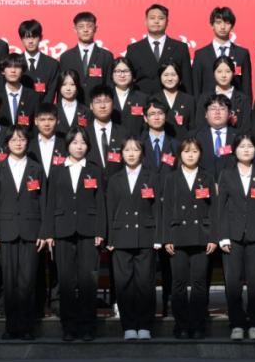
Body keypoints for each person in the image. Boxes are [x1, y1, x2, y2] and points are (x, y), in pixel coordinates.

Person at [42, 127, 106, 341]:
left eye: (83, 142)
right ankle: (68, 327)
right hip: (63, 230)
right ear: (67, 144)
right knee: (66, 281)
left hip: (89, 231)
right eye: (75, 142)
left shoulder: (95, 169)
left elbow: (101, 201)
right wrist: (49, 232)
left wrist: (100, 230)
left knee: (88, 281)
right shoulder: (57, 170)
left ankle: (88, 327)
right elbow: (50, 202)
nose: (79, 146)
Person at [0, 126, 46, 340]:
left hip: (31, 231)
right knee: (10, 282)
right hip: (6, 231)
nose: (18, 143)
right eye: (13, 140)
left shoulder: (36, 168)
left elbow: (43, 201)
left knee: (27, 281)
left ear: (27, 142)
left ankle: (27, 328)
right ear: (6, 144)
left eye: (21, 139)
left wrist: (44, 232)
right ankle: (11, 327)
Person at [217, 134, 255, 340]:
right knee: (233, 283)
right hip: (232, 236)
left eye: (250, 146)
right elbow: (221, 208)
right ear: (234, 150)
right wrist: (222, 236)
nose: (246, 150)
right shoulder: (226, 175)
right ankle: (237, 323)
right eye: (242, 146)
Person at [161, 138, 216, 339]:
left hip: (202, 236)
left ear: (200, 153)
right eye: (186, 151)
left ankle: (198, 324)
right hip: (178, 236)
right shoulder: (171, 178)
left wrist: (214, 237)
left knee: (200, 283)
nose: (190, 155)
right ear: (180, 155)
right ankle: (181, 325)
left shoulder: (207, 177)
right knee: (178, 283)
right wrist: (167, 237)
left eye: (194, 151)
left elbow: (214, 209)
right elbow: (166, 209)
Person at [106, 138, 160, 340]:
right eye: (127, 150)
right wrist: (110, 239)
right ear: (121, 154)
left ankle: (145, 325)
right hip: (120, 237)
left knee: (145, 283)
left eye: (135, 150)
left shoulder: (152, 177)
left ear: (142, 154)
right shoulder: (115, 179)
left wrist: (158, 236)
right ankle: (128, 325)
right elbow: (110, 210)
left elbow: (157, 208)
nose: (131, 153)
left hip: (145, 235)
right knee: (124, 284)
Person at [124, 3, 192, 95]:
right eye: (152, 18)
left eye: (161, 18)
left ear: (167, 22)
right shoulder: (134, 49)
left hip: (172, 99)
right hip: (142, 100)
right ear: (146, 21)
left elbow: (187, 81)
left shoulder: (180, 48)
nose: (156, 21)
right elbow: (127, 79)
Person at [191, 6, 251, 101]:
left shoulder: (242, 54)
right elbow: (196, 87)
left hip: (235, 105)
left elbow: (246, 87)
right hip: (208, 106)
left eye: (227, 23)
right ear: (212, 25)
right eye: (218, 22)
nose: (223, 27)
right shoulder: (200, 55)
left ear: (232, 26)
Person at [195, 57, 251, 133]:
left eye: (228, 71)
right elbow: (199, 125)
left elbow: (246, 127)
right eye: (219, 71)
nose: (223, 75)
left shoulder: (243, 99)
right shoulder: (204, 98)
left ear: (233, 73)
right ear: (214, 73)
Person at [58, 11, 114, 86]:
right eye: (81, 26)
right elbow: (62, 85)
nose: (85, 30)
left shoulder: (106, 56)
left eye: (89, 26)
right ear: (75, 29)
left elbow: (109, 84)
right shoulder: (66, 57)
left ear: (95, 29)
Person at [194, 95, 240, 178]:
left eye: (222, 109)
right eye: (213, 109)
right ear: (206, 114)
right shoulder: (196, 136)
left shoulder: (239, 137)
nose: (217, 112)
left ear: (229, 114)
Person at [86, 85, 127, 177]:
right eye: (98, 102)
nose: (102, 106)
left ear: (113, 104)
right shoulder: (84, 134)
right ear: (91, 106)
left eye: (107, 101)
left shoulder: (124, 134)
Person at [18, 19, 60, 104]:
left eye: (34, 37)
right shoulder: (15, 63)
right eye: (26, 37)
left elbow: (51, 93)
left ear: (41, 38)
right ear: (21, 39)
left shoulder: (52, 64)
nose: (30, 41)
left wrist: (43, 110)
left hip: (44, 110)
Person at [0, 54, 39, 129]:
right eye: (9, 67)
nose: (13, 71)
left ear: (22, 71)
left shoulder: (33, 96)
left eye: (17, 67)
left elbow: (36, 126)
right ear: (3, 71)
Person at [110, 56, 147, 139]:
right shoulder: (107, 97)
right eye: (118, 71)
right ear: (112, 74)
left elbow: (146, 127)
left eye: (126, 71)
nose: (122, 75)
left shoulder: (143, 98)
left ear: (132, 73)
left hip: (136, 144)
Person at [141, 98, 179, 176]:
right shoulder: (139, 144)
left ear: (165, 117)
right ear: (145, 118)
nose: (156, 117)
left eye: (160, 113)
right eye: (152, 114)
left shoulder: (176, 145)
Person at [28, 103, 67, 178]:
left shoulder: (65, 144)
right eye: (42, 120)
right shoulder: (29, 145)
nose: (46, 124)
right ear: (36, 121)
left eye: (51, 119)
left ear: (57, 121)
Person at [158, 61, 196, 137]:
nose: (169, 78)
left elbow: (193, 126)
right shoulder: (154, 99)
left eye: (173, 75)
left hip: (183, 142)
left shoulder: (189, 100)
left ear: (179, 77)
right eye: (165, 75)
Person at [55, 70, 88, 136]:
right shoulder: (53, 110)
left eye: (72, 84)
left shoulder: (86, 111)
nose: (68, 88)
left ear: (77, 86)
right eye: (64, 84)